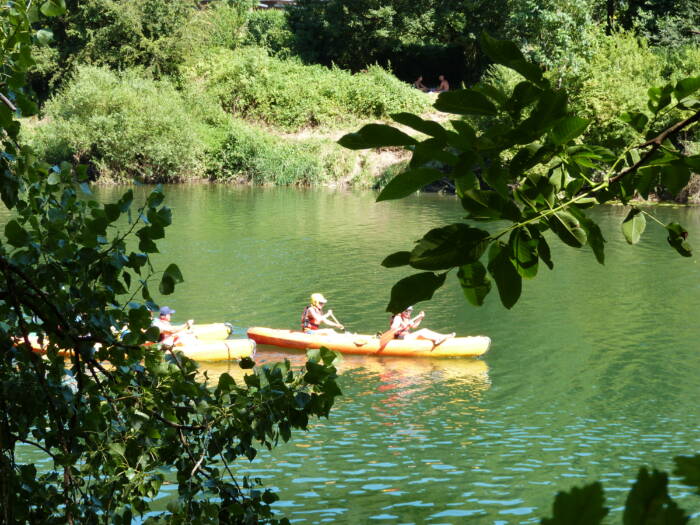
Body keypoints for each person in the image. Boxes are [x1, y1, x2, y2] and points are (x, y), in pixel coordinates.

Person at [390, 306, 455, 346]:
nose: (408, 313)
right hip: (401, 339)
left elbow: (414, 326)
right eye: (406, 311)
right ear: (401, 311)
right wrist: (401, 326)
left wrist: (420, 317)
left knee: (424, 333)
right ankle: (439, 338)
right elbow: (393, 328)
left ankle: (439, 337)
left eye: (409, 311)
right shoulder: (398, 318)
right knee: (423, 331)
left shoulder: (407, 318)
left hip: (407, 337)